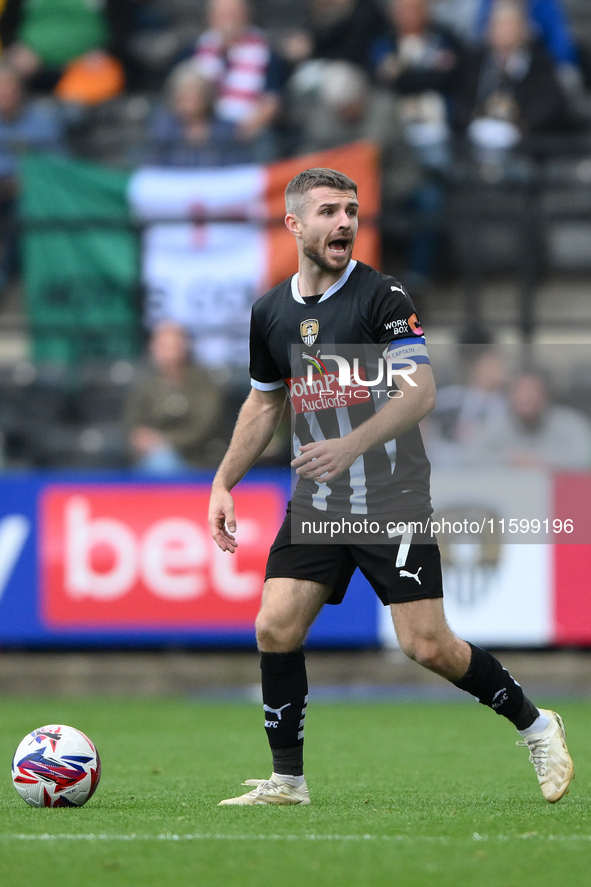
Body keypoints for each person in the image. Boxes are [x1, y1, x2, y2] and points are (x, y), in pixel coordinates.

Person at [208, 167, 573, 806]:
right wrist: (223, 482)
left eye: (351, 210)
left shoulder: (382, 297)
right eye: (328, 211)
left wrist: (349, 445)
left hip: (389, 497)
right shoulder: (270, 311)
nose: (344, 221)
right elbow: (265, 405)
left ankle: (538, 726)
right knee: (275, 626)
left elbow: (421, 391)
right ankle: (288, 782)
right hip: (319, 500)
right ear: (294, 224)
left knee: (425, 644)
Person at [452, 1, 569, 153]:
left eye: (511, 26)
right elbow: (460, 97)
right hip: (478, 140)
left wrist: (522, 127)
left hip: (526, 143)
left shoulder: (539, 63)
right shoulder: (476, 61)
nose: (505, 32)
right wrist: (472, 124)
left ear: (523, 30)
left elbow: (551, 102)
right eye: (500, 25)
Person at [192, 0, 287, 161]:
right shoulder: (194, 50)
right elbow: (184, 96)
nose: (229, 19)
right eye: (223, 14)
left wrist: (238, 132)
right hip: (204, 128)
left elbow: (272, 102)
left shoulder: (267, 51)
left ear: (246, 16)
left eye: (234, 13)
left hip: (247, 130)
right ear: (210, 17)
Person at [125, 320, 223, 474]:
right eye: (163, 346)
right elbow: (133, 424)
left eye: (173, 346)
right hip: (150, 456)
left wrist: (164, 441)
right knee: (158, 462)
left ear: (185, 347)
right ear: (152, 348)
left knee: (162, 462)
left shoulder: (204, 382)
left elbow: (205, 426)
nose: (169, 352)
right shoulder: (144, 385)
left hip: (197, 457)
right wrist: (141, 439)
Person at [467, 371, 591, 469]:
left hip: (562, 493)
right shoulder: (496, 424)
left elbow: (584, 457)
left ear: (545, 396)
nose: (526, 397)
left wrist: (542, 461)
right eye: (521, 392)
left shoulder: (570, 423)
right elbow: (469, 457)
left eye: (532, 392)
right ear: (510, 397)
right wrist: (510, 459)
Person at [145, 61, 252, 167]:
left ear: (207, 98)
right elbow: (153, 168)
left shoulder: (227, 131)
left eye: (195, 97)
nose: (190, 104)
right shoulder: (162, 130)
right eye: (184, 97)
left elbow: (237, 170)